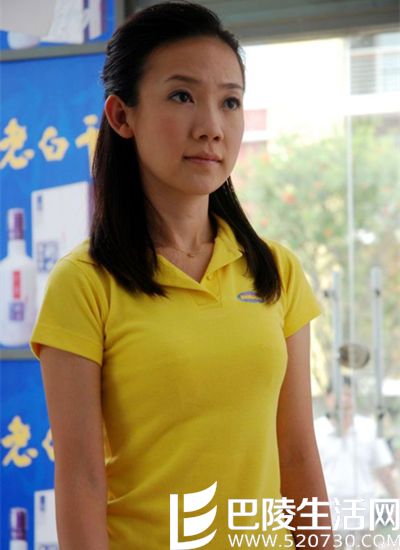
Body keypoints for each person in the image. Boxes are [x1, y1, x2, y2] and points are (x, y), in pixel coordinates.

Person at [30, 2, 333, 548]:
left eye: (230, 101)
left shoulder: (276, 270)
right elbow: (80, 479)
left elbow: (297, 454)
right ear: (122, 117)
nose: (212, 128)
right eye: (182, 96)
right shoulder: (84, 282)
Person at [314, 378, 399, 548]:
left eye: (349, 394)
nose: (345, 400)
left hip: (363, 518)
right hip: (329, 519)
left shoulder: (368, 428)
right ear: (328, 398)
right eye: (340, 394)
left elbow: (384, 471)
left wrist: (397, 499)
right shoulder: (316, 430)